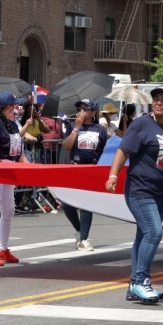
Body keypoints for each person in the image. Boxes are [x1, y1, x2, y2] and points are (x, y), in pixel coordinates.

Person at [105, 84, 163, 303]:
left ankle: (134, 286)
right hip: (140, 191)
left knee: (143, 236)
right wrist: (113, 175)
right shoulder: (141, 124)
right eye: (156, 99)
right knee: (154, 233)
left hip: (161, 192)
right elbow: (123, 150)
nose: (159, 103)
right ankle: (141, 282)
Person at [0, 92, 29, 266]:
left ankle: (2, 249)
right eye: (15, 105)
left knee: (9, 210)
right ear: (8, 107)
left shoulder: (13, 125)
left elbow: (19, 153)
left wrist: (32, 170)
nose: (17, 108)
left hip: (8, 170)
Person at [62, 99, 107, 251]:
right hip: (75, 167)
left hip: (91, 169)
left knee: (86, 204)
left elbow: (103, 151)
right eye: (79, 109)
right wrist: (76, 128)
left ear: (92, 112)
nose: (80, 111)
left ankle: (84, 239)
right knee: (66, 203)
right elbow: (67, 147)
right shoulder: (72, 126)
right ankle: (79, 230)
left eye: (84, 109)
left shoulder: (100, 129)